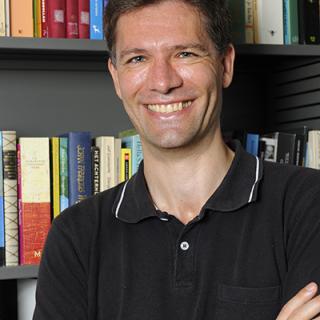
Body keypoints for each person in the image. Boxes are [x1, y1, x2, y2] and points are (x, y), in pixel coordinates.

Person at [33, 0, 320, 319]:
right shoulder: (75, 235)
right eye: (138, 58)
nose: (163, 82)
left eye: (185, 53)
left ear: (225, 65)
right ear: (116, 77)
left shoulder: (308, 205)